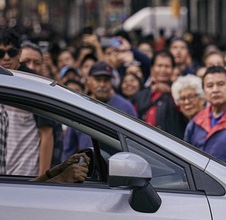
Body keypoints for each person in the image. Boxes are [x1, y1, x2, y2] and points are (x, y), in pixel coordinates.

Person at [0, 28, 55, 178]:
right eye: (0, 53)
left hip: (24, 178)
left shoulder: (33, 85)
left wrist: (42, 180)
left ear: (19, 54)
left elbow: (47, 134)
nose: (6, 58)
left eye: (11, 52)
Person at [63, 61, 137, 158]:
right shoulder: (80, 107)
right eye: (98, 80)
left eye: (106, 80)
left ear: (112, 82)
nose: (102, 84)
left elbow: (135, 146)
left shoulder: (125, 107)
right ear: (88, 81)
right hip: (86, 169)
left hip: (118, 168)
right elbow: (69, 147)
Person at [133, 51, 189, 139]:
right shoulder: (141, 94)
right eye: (159, 66)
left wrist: (171, 92)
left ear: (173, 69)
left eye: (167, 66)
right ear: (152, 68)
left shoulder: (181, 93)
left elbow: (187, 115)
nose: (163, 70)